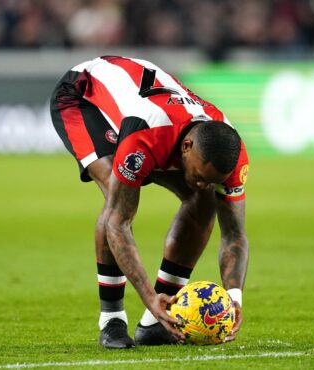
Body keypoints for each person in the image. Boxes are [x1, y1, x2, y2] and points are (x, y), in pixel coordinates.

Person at [50, 56, 249, 349]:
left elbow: (234, 234)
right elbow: (119, 223)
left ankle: (157, 322)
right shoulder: (144, 136)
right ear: (187, 147)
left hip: (151, 112)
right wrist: (147, 294)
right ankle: (112, 320)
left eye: (212, 179)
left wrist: (234, 297)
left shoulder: (231, 151)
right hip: (82, 97)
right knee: (115, 195)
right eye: (198, 174)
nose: (203, 182)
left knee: (202, 201)